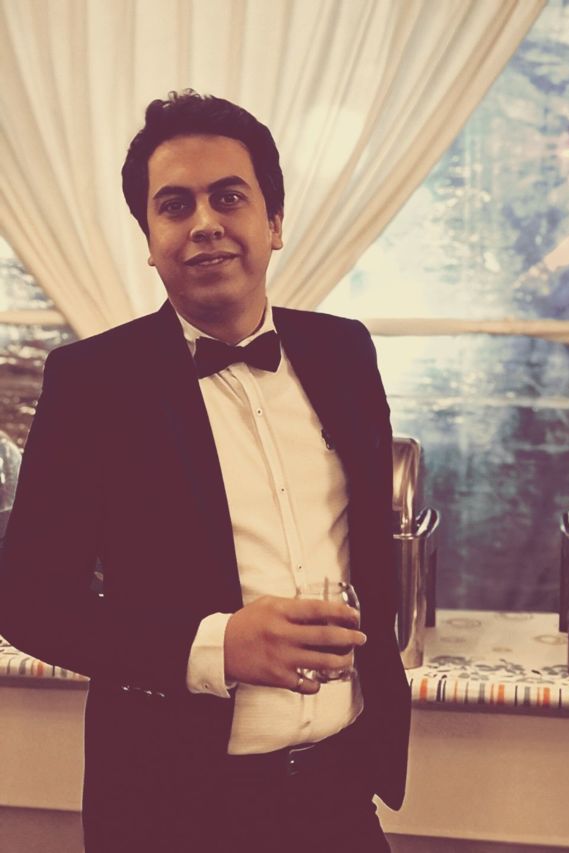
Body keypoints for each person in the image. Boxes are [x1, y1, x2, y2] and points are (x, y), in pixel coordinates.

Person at [0, 91, 410, 852]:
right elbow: (27, 602)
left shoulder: (346, 352)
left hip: (340, 790)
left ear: (274, 221)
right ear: (150, 239)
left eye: (229, 196)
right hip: (171, 808)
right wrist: (216, 646)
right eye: (174, 205)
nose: (204, 223)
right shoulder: (92, 382)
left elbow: (371, 547)